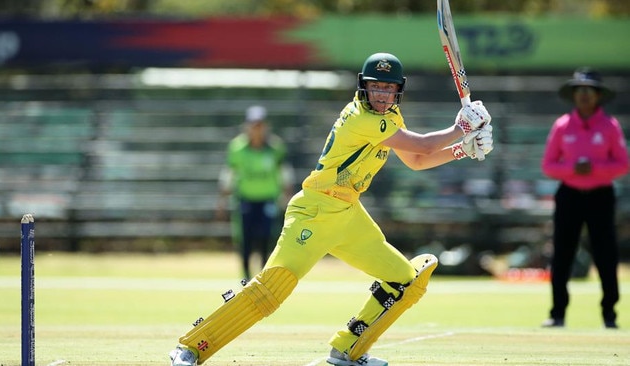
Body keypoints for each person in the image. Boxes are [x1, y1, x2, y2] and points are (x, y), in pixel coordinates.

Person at [170, 52, 494, 366]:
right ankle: (192, 349)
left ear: (398, 90)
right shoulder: (361, 118)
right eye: (376, 86)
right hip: (315, 209)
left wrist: (462, 150)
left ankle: (348, 350)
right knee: (272, 288)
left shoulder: (390, 118)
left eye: (389, 88)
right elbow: (423, 144)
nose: (382, 94)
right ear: (363, 87)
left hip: (348, 214)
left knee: (405, 280)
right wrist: (462, 128)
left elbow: (417, 160)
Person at [540, 67, 628, 329]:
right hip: (570, 195)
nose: (584, 95)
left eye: (589, 90)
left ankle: (609, 315)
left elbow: (622, 164)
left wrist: (594, 168)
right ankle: (557, 314)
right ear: (574, 95)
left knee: (605, 254)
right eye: (580, 90)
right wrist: (572, 170)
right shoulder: (562, 125)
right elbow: (548, 165)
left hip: (600, 196)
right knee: (563, 254)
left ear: (598, 95)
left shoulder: (610, 126)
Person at [216, 105, 294, 280]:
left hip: (268, 200)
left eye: (260, 125)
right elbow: (229, 174)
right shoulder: (237, 148)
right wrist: (222, 200)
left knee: (267, 239)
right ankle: (246, 278)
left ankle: (263, 278)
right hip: (245, 200)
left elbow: (284, 173)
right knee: (246, 240)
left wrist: (287, 197)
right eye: (253, 125)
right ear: (247, 126)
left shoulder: (275, 148)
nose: (256, 129)